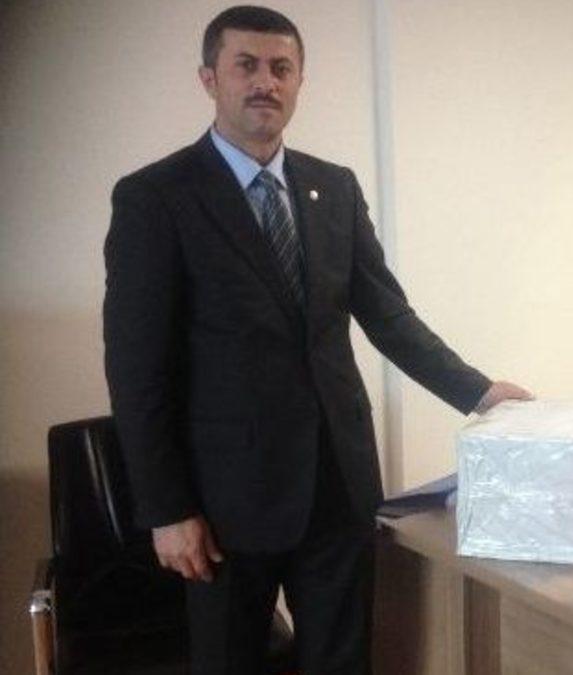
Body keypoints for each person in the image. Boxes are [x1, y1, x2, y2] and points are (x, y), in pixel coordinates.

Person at [102, 6, 530, 673]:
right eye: (246, 65)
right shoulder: (156, 197)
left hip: (337, 485)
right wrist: (167, 508)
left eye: (281, 68)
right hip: (223, 502)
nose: (265, 82)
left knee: (344, 660)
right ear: (209, 78)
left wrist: (478, 391)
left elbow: (388, 315)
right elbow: (136, 369)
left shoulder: (333, 187)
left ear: (299, 81)